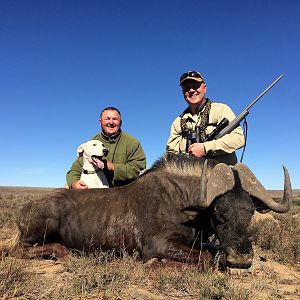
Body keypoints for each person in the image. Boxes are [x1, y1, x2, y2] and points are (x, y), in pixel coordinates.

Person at [166, 70, 245, 165]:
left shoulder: (221, 109)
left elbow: (239, 139)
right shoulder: (177, 122)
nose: (191, 90)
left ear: (204, 88)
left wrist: (205, 148)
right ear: (183, 92)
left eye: (195, 86)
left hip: (222, 175)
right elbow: (171, 155)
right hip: (190, 177)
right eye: (187, 88)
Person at [66, 107, 146, 189]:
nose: (111, 122)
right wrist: (74, 183)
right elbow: (75, 170)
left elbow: (138, 169)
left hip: (125, 194)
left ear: (120, 122)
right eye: (107, 119)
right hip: (98, 195)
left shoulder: (132, 143)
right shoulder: (91, 143)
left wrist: (113, 167)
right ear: (100, 122)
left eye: (115, 119)